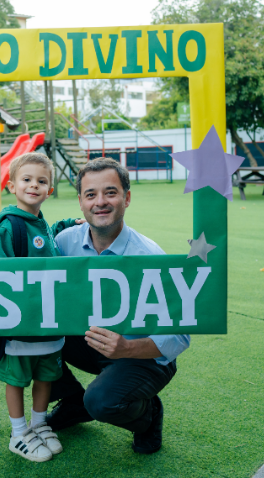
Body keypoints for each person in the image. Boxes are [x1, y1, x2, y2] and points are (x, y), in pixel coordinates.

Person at [46, 158, 190, 454]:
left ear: (127, 198)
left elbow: (180, 336)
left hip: (145, 356)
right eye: (91, 194)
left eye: (110, 193)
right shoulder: (64, 243)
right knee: (30, 336)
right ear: (81, 202)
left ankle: (148, 415)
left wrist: (127, 348)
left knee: (101, 402)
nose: (100, 202)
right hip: (92, 341)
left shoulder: (150, 256)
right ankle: (72, 402)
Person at [0, 153, 77, 462]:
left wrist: (67, 224)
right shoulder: (9, 227)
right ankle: (19, 433)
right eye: (26, 179)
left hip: (48, 322)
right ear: (11, 186)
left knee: (45, 375)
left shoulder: (41, 222)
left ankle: (38, 424)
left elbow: (45, 239)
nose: (34, 185)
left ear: (50, 190)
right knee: (17, 379)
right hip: (20, 324)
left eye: (41, 181)